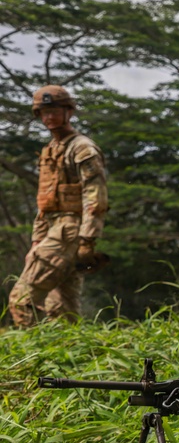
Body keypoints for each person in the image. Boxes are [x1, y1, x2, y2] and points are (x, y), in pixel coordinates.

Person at [8, 85, 108, 327]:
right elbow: (46, 201)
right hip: (54, 231)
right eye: (43, 112)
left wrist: (87, 240)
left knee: (21, 300)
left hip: (69, 231)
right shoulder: (50, 150)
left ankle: (31, 360)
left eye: (54, 110)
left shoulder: (82, 147)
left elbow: (95, 196)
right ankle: (73, 359)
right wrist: (36, 242)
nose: (49, 117)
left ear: (68, 112)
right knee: (62, 311)